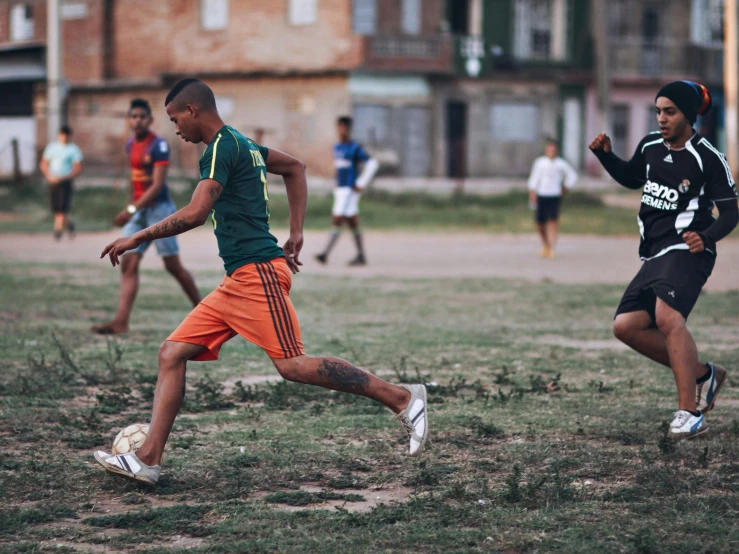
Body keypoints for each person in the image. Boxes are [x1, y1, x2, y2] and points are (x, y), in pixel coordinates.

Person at [92, 79, 428, 485]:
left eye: (175, 118)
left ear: (193, 110)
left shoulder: (221, 148)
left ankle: (404, 399)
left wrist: (138, 236)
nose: (175, 129)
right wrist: (297, 232)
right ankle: (147, 459)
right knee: (172, 353)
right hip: (238, 279)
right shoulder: (243, 145)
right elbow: (294, 168)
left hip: (259, 275)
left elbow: (198, 212)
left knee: (293, 365)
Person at [589, 81, 738, 439]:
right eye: (658, 111)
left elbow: (731, 213)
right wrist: (607, 156)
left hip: (689, 250)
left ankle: (690, 413)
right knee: (625, 326)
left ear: (688, 114)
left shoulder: (708, 157)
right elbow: (632, 178)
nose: (661, 118)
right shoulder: (651, 146)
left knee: (667, 317)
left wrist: (706, 236)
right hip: (654, 252)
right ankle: (704, 374)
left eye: (669, 111)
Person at [91, 99, 201, 335]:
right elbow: (136, 181)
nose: (138, 120)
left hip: (160, 210)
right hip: (139, 211)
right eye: (134, 116)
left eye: (142, 116)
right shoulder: (130, 144)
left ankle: (203, 312)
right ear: (129, 120)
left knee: (173, 265)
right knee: (128, 262)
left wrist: (129, 210)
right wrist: (133, 209)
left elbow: (157, 185)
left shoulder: (159, 146)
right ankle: (121, 322)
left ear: (150, 120)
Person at [315, 116, 379, 266]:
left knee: (337, 219)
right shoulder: (336, 147)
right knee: (352, 222)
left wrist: (361, 182)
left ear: (349, 129)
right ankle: (361, 256)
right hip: (340, 190)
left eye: (344, 127)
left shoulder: (355, 148)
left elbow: (373, 164)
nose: (341, 130)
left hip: (350, 190)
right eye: (339, 127)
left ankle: (325, 253)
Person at [527, 138, 577, 258]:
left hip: (554, 195)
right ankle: (545, 244)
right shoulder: (539, 163)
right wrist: (532, 192)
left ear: (557, 151)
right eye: (549, 150)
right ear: (546, 151)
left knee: (553, 221)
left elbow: (572, 176)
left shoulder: (561, 164)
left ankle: (551, 247)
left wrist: (565, 188)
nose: (551, 152)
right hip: (542, 194)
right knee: (540, 223)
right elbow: (534, 179)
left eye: (553, 150)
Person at [39, 126, 83, 240]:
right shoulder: (52, 147)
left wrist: (66, 176)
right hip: (53, 180)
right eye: (62, 134)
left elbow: (77, 167)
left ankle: (57, 230)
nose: (64, 137)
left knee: (62, 206)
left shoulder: (73, 149)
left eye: (66, 135)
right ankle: (69, 224)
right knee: (55, 207)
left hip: (65, 181)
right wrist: (49, 176)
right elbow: (43, 163)